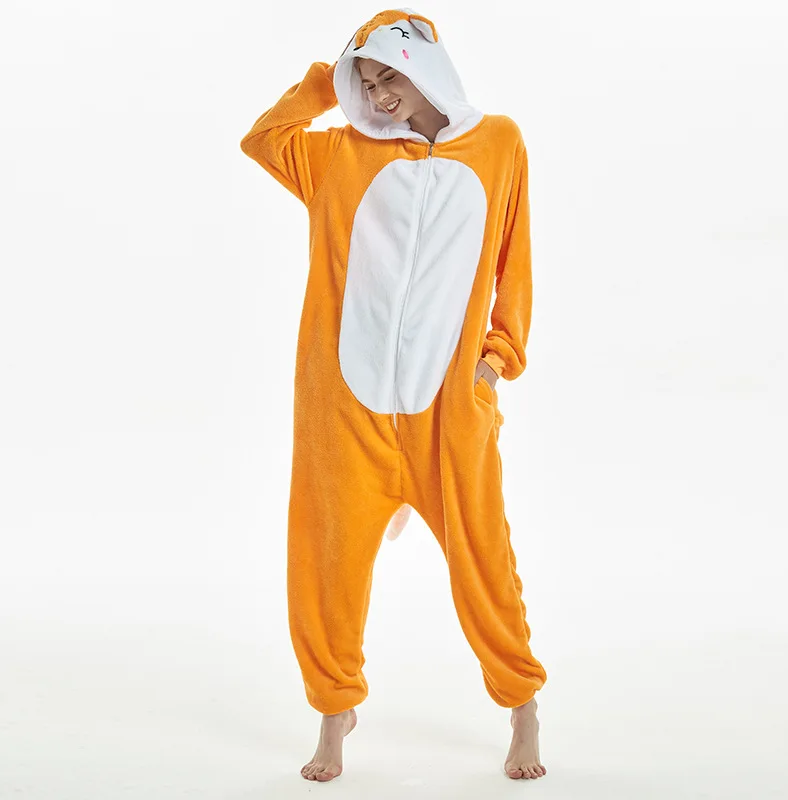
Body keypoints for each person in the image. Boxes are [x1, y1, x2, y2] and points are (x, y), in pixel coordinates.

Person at [240, 7, 547, 782]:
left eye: (390, 77)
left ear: (424, 68)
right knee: (328, 565)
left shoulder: (499, 144)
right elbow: (264, 139)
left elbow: (514, 260)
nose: (378, 96)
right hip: (347, 408)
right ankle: (334, 711)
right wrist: (326, 80)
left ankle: (522, 706)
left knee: (484, 563)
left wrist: (496, 361)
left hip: (449, 410)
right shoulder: (339, 154)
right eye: (367, 82)